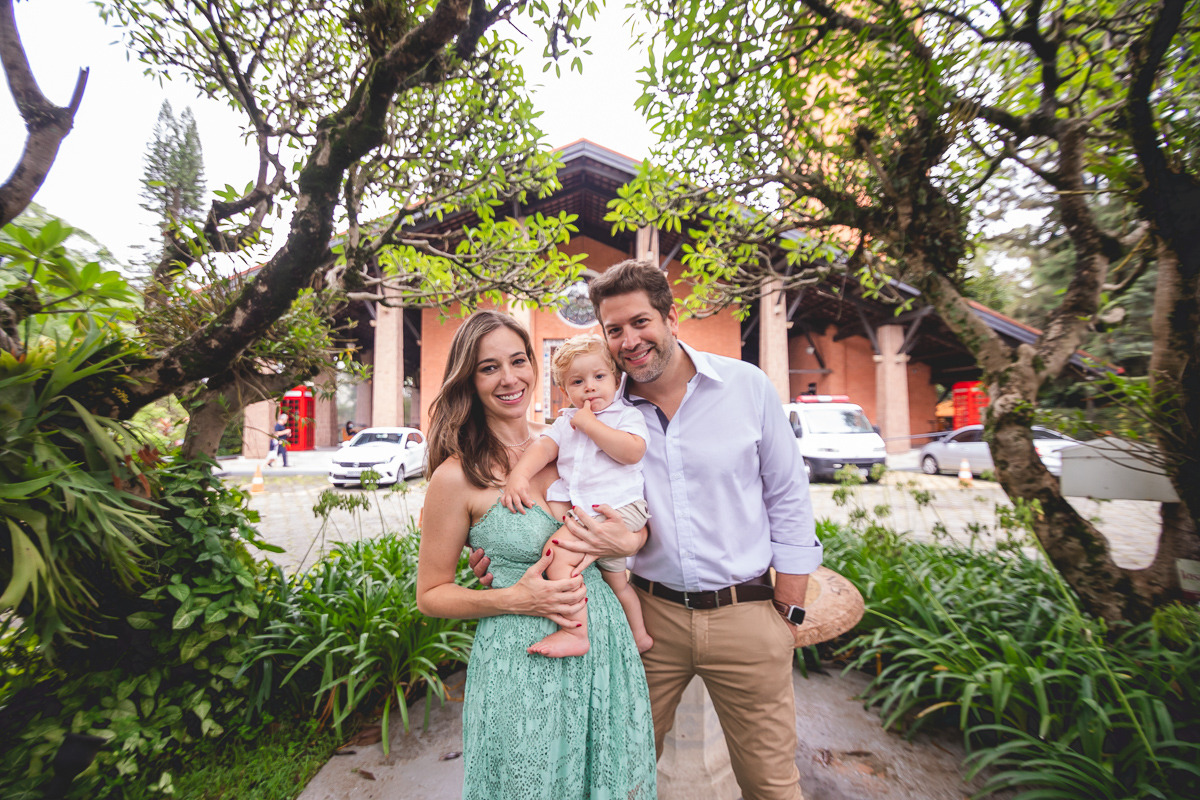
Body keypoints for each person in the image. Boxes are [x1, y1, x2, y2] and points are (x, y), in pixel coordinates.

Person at [471, 259, 822, 800]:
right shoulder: (601, 406)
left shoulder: (745, 387)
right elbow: (538, 486)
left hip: (746, 614)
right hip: (648, 616)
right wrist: (498, 554)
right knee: (624, 776)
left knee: (772, 786)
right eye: (615, 330)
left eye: (640, 322)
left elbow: (789, 496)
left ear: (670, 317)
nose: (630, 340)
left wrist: (788, 612)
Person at [415, 310, 656, 800]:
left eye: (518, 361)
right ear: (469, 380)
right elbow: (431, 594)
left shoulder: (575, 437)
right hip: (521, 659)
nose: (509, 378)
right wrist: (514, 598)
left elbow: (633, 510)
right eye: (489, 367)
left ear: (534, 366)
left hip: (605, 649)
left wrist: (631, 542)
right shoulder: (456, 476)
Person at [502, 334, 653, 657]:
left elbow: (632, 452)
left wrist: (590, 425)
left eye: (599, 377)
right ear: (564, 389)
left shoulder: (625, 416)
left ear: (617, 379)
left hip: (620, 508)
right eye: (577, 381)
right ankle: (640, 636)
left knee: (556, 554)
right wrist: (519, 475)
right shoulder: (565, 421)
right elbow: (543, 449)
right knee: (617, 583)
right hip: (589, 510)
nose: (590, 387)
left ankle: (575, 632)